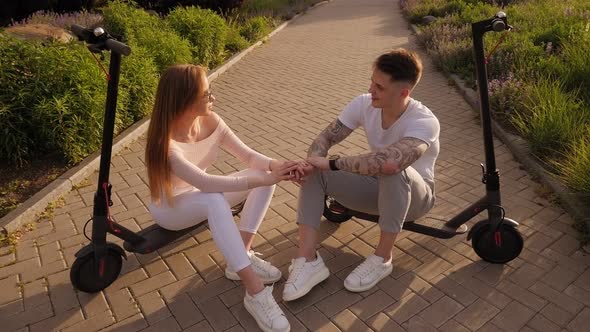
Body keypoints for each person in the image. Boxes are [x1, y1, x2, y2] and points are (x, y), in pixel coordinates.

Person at [145, 64, 297, 332]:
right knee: (215, 197)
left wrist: (277, 166)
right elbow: (206, 183)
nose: (213, 97)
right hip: (170, 209)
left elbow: (248, 157)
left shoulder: (211, 121)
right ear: (185, 99)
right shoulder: (164, 143)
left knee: (259, 175)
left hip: (198, 194)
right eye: (206, 93)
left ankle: (241, 255)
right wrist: (264, 177)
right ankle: (255, 293)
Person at [283, 49, 440, 301]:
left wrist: (332, 164)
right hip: (377, 191)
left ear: (403, 93)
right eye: (371, 81)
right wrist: (312, 162)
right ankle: (308, 260)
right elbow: (325, 137)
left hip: (416, 199)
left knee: (392, 168)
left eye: (379, 86)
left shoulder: (424, 121)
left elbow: (389, 164)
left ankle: (382, 257)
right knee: (315, 171)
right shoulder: (364, 102)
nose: (371, 90)